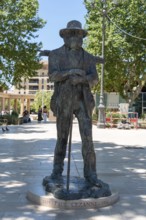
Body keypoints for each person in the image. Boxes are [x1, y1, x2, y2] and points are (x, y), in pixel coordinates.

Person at [48, 20, 103, 185]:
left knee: (88, 139)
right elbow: (52, 75)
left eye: (79, 35)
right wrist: (70, 72)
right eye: (73, 35)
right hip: (64, 100)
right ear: (66, 38)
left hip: (83, 102)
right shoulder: (55, 54)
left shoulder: (88, 57)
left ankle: (91, 175)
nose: (77, 39)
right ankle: (56, 172)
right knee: (62, 138)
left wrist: (82, 79)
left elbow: (94, 78)